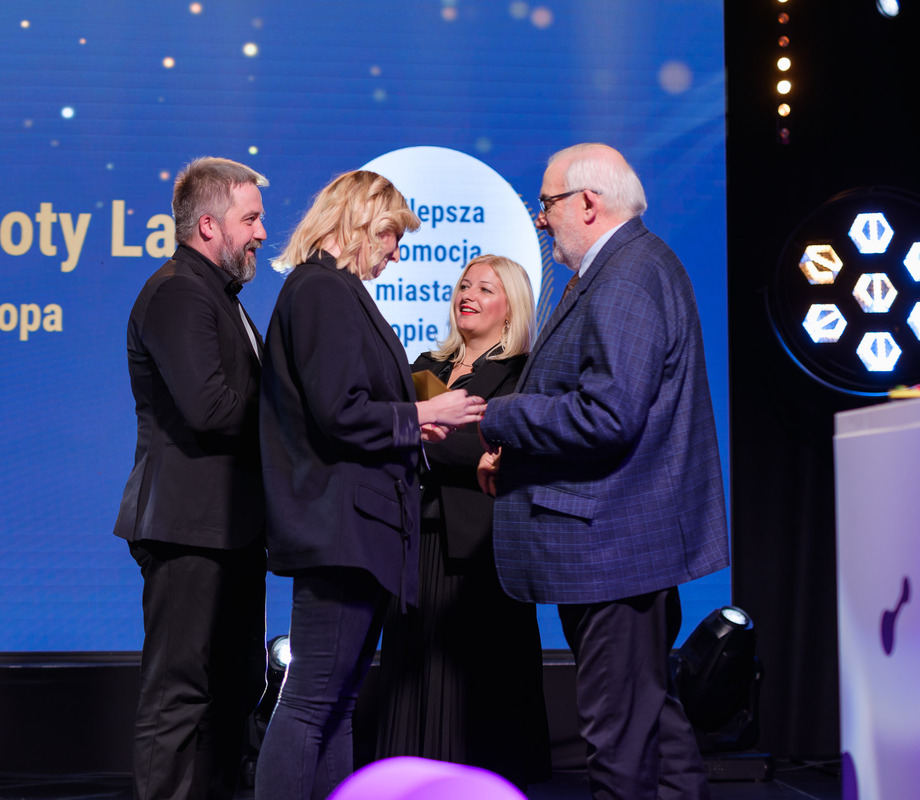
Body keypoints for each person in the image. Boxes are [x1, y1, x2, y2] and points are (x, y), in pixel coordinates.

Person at [477, 143, 729, 800]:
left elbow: (607, 415)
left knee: (618, 740)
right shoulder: (629, 266)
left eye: (547, 203)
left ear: (588, 203)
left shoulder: (625, 277)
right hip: (618, 545)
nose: (540, 219)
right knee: (652, 726)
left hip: (611, 547)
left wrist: (500, 416)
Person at [255, 170, 488, 800]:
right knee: (312, 703)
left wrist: (412, 426)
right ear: (360, 222)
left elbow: (347, 408)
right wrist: (423, 412)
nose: (396, 253)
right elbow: (338, 412)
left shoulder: (331, 290)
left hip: (355, 526)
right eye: (391, 236)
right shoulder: (322, 289)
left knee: (337, 702)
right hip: (342, 528)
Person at [114, 156, 269, 800]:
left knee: (235, 688)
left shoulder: (219, 296)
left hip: (231, 529)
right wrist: (300, 408)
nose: (262, 233)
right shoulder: (179, 291)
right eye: (251, 219)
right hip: (186, 528)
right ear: (209, 225)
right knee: (177, 695)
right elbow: (211, 410)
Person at [375, 254, 551, 789]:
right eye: (464, 285)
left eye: (485, 289)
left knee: (477, 685)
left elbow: (496, 443)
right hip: (412, 542)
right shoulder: (423, 364)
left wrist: (422, 432)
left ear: (511, 308)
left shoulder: (524, 372)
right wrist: (429, 432)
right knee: (411, 677)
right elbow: (389, 433)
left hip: (480, 553)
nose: (467, 295)